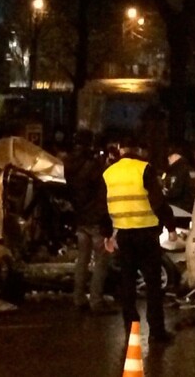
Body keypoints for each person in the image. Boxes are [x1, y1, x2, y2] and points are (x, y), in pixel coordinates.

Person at [100, 137, 178, 343]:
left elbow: (102, 206)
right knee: (153, 285)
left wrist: (107, 234)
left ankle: (131, 326)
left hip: (124, 234)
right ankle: (156, 331)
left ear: (120, 149)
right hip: (147, 234)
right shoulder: (144, 169)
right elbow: (158, 201)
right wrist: (171, 227)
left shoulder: (108, 173)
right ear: (138, 150)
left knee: (127, 282)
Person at [64, 130, 117, 314]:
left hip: (80, 218)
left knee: (82, 260)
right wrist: (106, 222)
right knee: (102, 260)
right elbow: (101, 195)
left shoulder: (69, 164)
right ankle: (96, 301)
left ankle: (78, 298)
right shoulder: (93, 166)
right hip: (95, 219)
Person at [162, 144, 195, 214]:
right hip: (191, 208)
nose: (168, 159)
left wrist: (163, 193)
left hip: (178, 207)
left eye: (170, 156)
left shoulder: (176, 171)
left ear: (176, 156)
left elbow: (174, 192)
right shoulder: (192, 170)